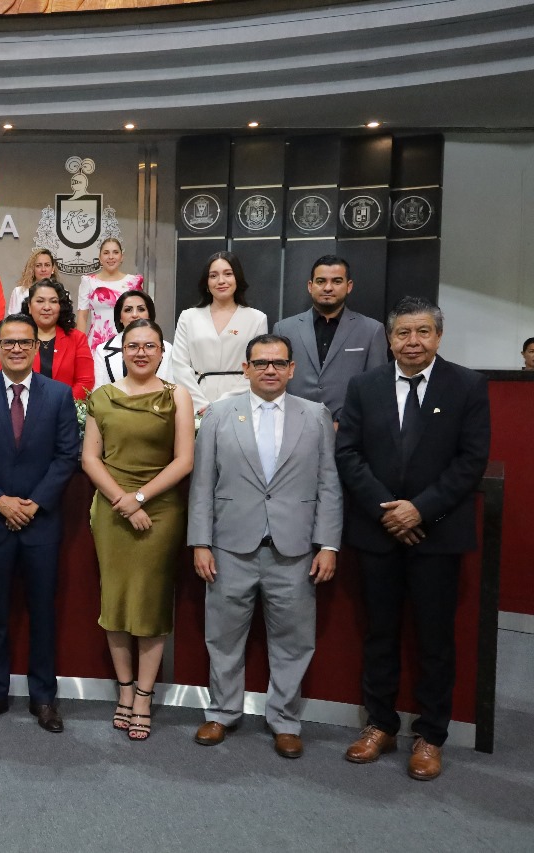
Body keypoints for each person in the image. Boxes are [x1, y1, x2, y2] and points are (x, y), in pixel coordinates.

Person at [336, 296, 490, 781]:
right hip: (378, 531)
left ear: (438, 336)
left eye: (423, 331)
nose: (413, 341)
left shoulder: (467, 385)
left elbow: (471, 460)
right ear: (389, 338)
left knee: (434, 639)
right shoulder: (364, 386)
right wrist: (388, 509)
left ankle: (431, 735)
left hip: (437, 534)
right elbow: (348, 453)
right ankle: (379, 724)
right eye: (403, 333)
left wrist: (420, 509)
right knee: (379, 633)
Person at [188, 334, 342, 758]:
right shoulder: (219, 414)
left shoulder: (315, 415)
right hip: (229, 547)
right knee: (222, 637)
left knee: (294, 640)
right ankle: (221, 713)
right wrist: (200, 542)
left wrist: (328, 544)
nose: (269, 370)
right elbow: (202, 484)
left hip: (295, 550)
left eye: (278, 363)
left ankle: (285, 721)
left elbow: (329, 484)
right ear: (246, 369)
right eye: (260, 363)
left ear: (292, 369)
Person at [0, 314, 80, 733]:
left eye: (24, 342)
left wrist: (34, 504)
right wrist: (0, 501)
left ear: (35, 347)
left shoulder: (59, 395)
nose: (16, 349)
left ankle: (44, 698)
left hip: (40, 524)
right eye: (8, 342)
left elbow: (67, 455)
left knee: (43, 614)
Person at [82, 319, 194, 741]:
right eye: (133, 346)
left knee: (150, 602)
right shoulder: (102, 396)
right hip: (112, 511)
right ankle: (125, 690)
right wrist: (122, 501)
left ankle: (145, 696)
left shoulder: (176, 395)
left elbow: (184, 460)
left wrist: (141, 498)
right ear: (122, 351)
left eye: (150, 346)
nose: (141, 353)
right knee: (114, 602)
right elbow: (90, 459)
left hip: (160, 511)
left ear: (162, 352)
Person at [272, 255, 387, 424]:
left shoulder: (372, 330)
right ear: (310, 286)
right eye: (321, 281)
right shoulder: (284, 329)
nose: (328, 287)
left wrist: (348, 424)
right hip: (293, 425)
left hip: (349, 428)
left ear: (349, 286)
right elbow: (275, 381)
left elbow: (377, 388)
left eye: (337, 281)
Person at [171, 251, 269, 415]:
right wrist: (200, 404)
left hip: (240, 403)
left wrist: (223, 404)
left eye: (228, 274)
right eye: (213, 276)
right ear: (207, 282)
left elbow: (257, 368)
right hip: (196, 405)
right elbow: (179, 366)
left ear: (237, 278)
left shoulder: (257, 319)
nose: (221, 281)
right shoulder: (188, 317)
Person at [23, 279, 95, 400]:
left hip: (66, 406)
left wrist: (62, 405)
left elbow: (85, 381)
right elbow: (5, 377)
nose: (47, 307)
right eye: (40, 301)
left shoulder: (77, 338)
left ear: (60, 307)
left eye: (53, 301)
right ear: (29, 306)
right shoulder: (16, 339)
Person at [92, 290, 174, 388]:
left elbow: (171, 388)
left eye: (141, 309)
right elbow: (99, 392)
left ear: (149, 315)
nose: (135, 315)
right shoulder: (103, 350)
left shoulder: (167, 348)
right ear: (120, 317)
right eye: (128, 310)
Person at [75, 238, 144, 351]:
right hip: (96, 343)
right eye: (106, 253)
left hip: (127, 342)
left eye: (115, 252)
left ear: (122, 257)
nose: (111, 257)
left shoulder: (133, 281)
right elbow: (82, 316)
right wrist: (79, 347)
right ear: (100, 257)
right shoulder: (88, 282)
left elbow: (140, 316)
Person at [8, 247, 62, 316]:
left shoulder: (62, 293)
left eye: (47, 265)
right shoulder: (19, 292)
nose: (43, 269)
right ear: (32, 269)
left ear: (53, 268)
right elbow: (13, 321)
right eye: (38, 266)